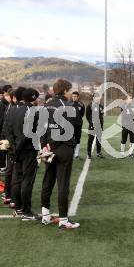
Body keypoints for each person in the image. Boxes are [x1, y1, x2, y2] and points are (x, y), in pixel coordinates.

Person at [40, 79, 80, 229]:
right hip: (62, 148)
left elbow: (42, 128)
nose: (70, 93)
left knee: (48, 181)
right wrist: (54, 145)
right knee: (63, 184)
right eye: (69, 90)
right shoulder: (68, 106)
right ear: (64, 90)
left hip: (49, 148)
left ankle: (45, 216)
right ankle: (64, 220)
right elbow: (68, 129)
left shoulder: (46, 104)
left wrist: (45, 145)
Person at [10, 88, 41, 220]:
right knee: (26, 181)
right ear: (33, 98)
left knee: (17, 180)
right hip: (27, 151)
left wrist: (13, 149)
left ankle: (18, 209)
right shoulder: (32, 111)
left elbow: (9, 131)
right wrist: (17, 149)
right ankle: (26, 212)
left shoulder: (16, 110)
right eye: (37, 97)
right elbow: (27, 134)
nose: (38, 100)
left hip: (16, 149)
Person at [86, 94, 104, 159]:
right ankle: (89, 153)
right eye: (96, 97)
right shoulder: (90, 105)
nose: (97, 98)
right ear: (93, 98)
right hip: (92, 126)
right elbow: (87, 115)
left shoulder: (101, 106)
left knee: (99, 140)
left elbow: (101, 115)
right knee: (90, 140)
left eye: (98, 97)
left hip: (100, 126)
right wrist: (91, 123)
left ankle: (98, 153)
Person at [119, 93, 134, 158]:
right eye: (130, 98)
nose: (131, 99)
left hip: (132, 126)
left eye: (131, 98)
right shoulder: (123, 106)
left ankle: (130, 153)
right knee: (124, 139)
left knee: (132, 140)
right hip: (125, 125)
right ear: (126, 99)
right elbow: (124, 115)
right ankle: (122, 153)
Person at [71, 91, 85, 159]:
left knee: (77, 139)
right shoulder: (69, 104)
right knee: (70, 139)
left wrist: (78, 120)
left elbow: (82, 114)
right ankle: (71, 153)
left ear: (78, 97)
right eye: (73, 96)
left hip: (78, 125)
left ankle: (76, 154)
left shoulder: (81, 104)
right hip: (70, 125)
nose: (74, 98)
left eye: (75, 96)